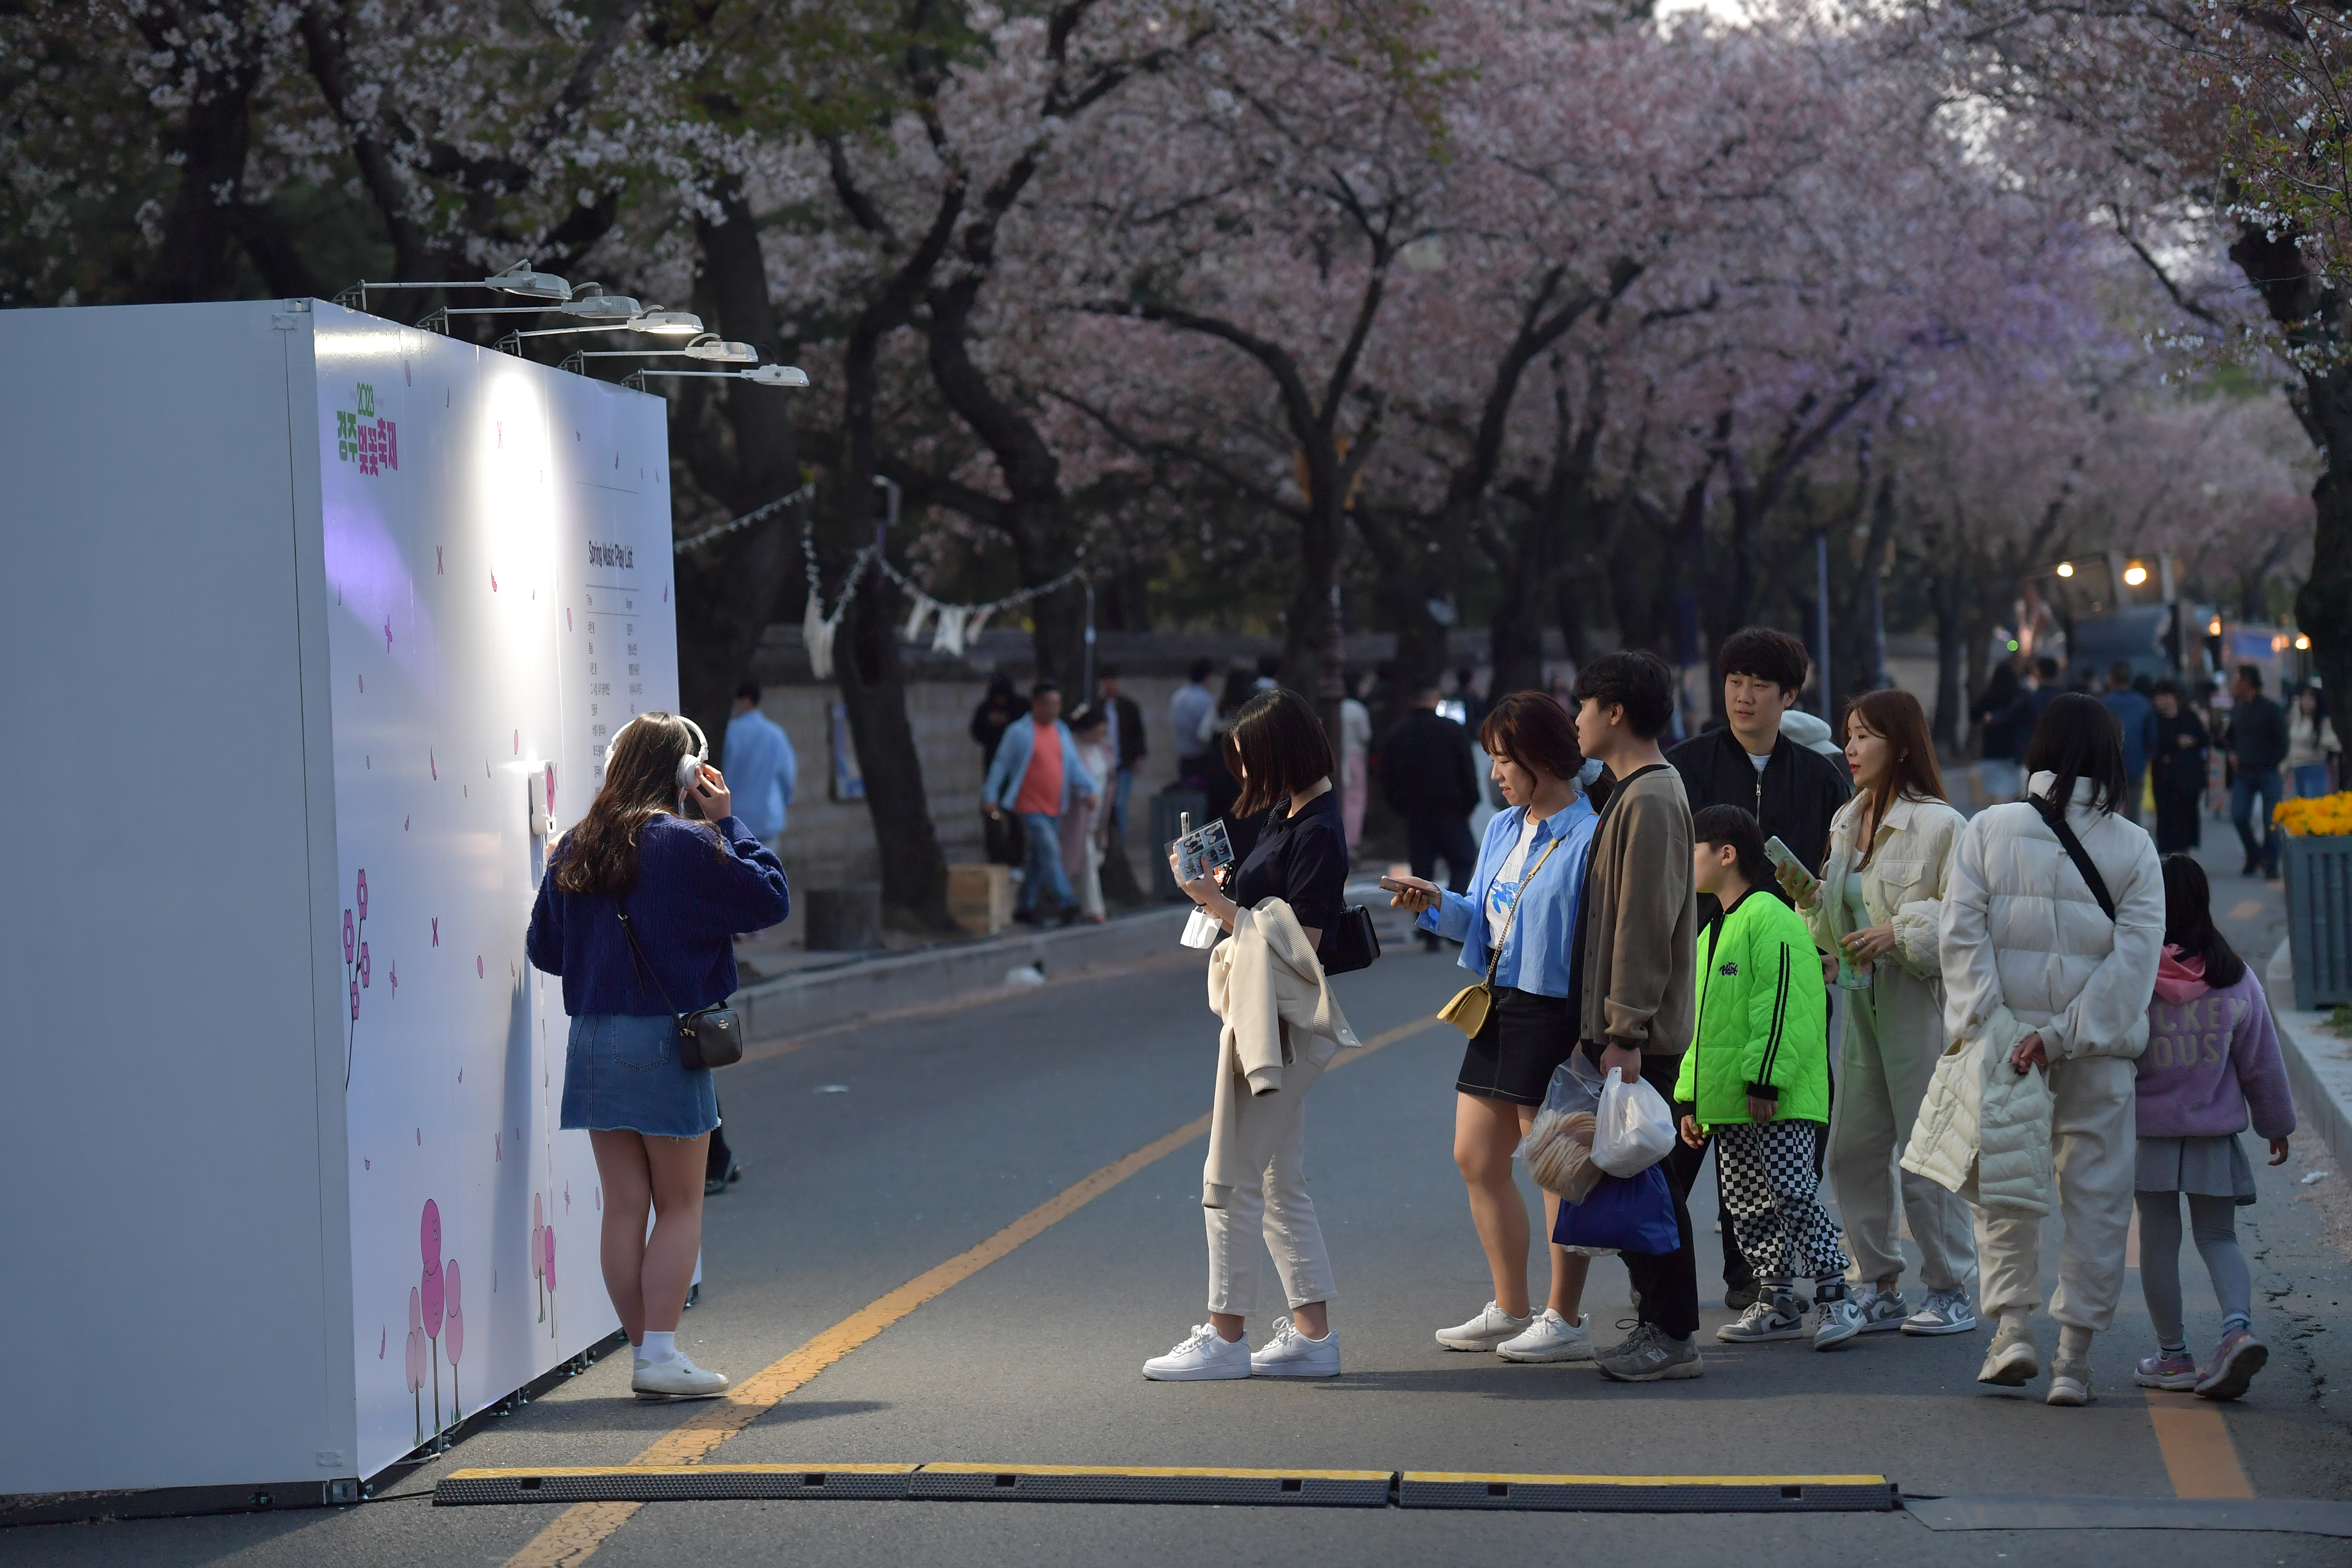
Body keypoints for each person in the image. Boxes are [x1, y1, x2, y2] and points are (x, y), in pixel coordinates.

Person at [525, 713, 790, 1399]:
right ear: (686, 775)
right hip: (662, 1038)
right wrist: (729, 821)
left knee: (623, 1206)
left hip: (590, 1039)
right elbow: (767, 897)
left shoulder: (576, 845)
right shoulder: (687, 843)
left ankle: (648, 1352)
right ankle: (661, 1356)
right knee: (680, 1203)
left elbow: (544, 950)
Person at [1938, 693, 2164, 1407]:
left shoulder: (1987, 829)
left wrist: (1998, 1027)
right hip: (2092, 1057)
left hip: (2005, 1052)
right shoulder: (2134, 847)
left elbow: (1958, 936)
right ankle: (2072, 1360)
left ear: (2035, 750)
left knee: (2004, 1194)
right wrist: (2060, 1035)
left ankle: (2010, 1333)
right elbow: (2133, 968)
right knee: (2096, 1202)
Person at [1388, 694, 1603, 1365]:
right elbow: (1479, 917)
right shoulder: (1504, 828)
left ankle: (1563, 1317)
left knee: (1555, 1168)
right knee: (1475, 1157)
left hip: (1554, 1007)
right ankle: (1510, 1307)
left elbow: (1594, 943)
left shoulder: (1589, 835)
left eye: (1504, 760)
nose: (1495, 775)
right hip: (1498, 1000)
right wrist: (1433, 904)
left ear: (1541, 759)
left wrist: (1589, 1033)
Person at [1149, 689, 1356, 1380]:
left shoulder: (1319, 829)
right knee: (1274, 1179)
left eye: (1248, 760)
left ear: (1278, 754)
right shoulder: (1288, 813)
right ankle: (1312, 1336)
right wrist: (1222, 895)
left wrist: (1215, 903)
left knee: (1229, 1175)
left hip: (1281, 1024)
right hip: (1262, 1016)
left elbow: (1305, 943)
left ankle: (1225, 1335)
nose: (1242, 775)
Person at [1666, 625, 1850, 1309]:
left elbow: (1839, 878)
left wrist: (1832, 940)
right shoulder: (1687, 767)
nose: (1743, 697)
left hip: (1795, 970)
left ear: (1789, 696)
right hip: (1708, 970)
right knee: (1703, 1118)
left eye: (1759, 686)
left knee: (1792, 1111)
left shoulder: (1819, 776)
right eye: (1734, 682)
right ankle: (1706, 1274)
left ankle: (1773, 1266)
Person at [1793, 689, 1976, 1339]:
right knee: (1850, 1151)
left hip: (1918, 1004)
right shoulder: (1848, 819)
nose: (1850, 747)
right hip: (1861, 1002)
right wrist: (1813, 916)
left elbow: (1962, 917)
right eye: (1847, 734)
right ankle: (1879, 1282)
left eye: (1865, 735)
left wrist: (1898, 933)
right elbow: (1836, 917)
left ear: (1901, 744)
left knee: (1924, 1154)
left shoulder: (1940, 825)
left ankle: (1951, 1288)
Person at [1566, 649, 1703, 1382]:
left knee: (1649, 1188)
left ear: (1614, 711)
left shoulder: (1650, 797)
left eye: (1582, 706)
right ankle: (1657, 1323)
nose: (1576, 720)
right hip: (1625, 1028)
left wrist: (1622, 1031)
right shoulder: (1636, 791)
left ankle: (1674, 1336)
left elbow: (1644, 927)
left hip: (1638, 1034)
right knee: (1632, 1180)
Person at [1680, 805, 1846, 1349]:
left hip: (1775, 1098)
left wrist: (1765, 1081)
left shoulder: (1770, 918)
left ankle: (1836, 1298)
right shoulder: (1714, 931)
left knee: (1793, 1193)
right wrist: (1690, 1099)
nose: (1688, 859)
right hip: (1732, 1102)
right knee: (1746, 1202)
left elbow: (1782, 1007)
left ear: (1726, 854)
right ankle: (1775, 1299)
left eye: (1695, 847)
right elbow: (1702, 1026)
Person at [2131, 856, 2296, 1402]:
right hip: (2213, 1132)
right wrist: (2276, 1124)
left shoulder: (2135, 977)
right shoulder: (2235, 978)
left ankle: (2174, 1357)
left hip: (2148, 1132)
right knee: (2218, 1237)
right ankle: (2236, 1330)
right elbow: (2262, 1062)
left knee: (2158, 1243)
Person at [983, 681, 1100, 926]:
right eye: (1048, 705)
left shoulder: (1061, 732)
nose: (1054, 710)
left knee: (1039, 858)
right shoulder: (1020, 732)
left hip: (1055, 807)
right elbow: (1001, 764)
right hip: (1030, 806)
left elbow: (1074, 766)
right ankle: (1067, 901)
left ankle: (1025, 905)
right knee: (1049, 849)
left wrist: (1089, 789)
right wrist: (990, 796)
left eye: (1057, 705)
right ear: (1035, 705)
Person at [1379, 684, 1484, 951]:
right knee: (1462, 860)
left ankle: (1428, 929)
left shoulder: (1398, 733)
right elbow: (1467, 769)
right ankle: (1453, 917)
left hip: (1416, 813)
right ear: (1434, 698)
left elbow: (1386, 778)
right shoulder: (1451, 729)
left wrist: (1400, 808)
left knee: (1421, 870)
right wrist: (1470, 802)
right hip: (1451, 809)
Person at [2225, 665, 2288, 878]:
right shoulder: (2239, 709)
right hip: (2243, 772)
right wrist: (2232, 752)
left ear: (2248, 682)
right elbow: (2230, 736)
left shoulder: (2271, 709)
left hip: (2267, 771)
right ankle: (2254, 853)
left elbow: (2282, 741)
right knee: (2239, 814)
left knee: (2271, 820)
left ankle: (2271, 863)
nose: (2235, 684)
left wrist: (2271, 761)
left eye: (2238, 679)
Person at [721, 682, 798, 852]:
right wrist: (785, 801)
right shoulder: (775, 734)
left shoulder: (729, 734)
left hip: (735, 822)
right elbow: (788, 776)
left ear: (746, 701)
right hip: (767, 820)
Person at [1062, 705, 1113, 923]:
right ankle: (1095, 909)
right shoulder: (1072, 748)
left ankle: (1074, 902)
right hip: (1077, 815)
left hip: (1098, 815)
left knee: (1086, 860)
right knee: (1087, 859)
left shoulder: (1103, 748)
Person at [972, 673, 1027, 866]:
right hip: (993, 767)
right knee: (993, 814)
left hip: (1018, 771)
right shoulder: (985, 709)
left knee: (1015, 816)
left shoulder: (1020, 708)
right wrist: (990, 723)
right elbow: (976, 732)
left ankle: (1016, 857)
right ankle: (996, 855)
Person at [2150, 681, 2211, 855]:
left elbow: (2205, 738)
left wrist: (2192, 742)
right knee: (2166, 815)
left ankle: (2185, 850)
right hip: (2164, 776)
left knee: (2188, 813)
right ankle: (2168, 852)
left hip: (2188, 775)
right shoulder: (2155, 720)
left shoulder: (2189, 717)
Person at [1096, 666, 1148, 851]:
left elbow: (1138, 734)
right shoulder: (1097, 707)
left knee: (1120, 804)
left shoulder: (1128, 707)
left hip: (1123, 763)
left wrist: (1139, 756)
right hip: (1103, 763)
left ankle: (1120, 844)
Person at [2102, 662, 2158, 826]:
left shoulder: (2102, 704)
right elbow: (2152, 738)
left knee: (2107, 815)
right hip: (2136, 765)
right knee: (2133, 816)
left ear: (2111, 679)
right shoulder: (2144, 705)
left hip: (2107, 767)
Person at [1974, 653, 2027, 803]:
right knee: (2016, 789)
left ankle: (1997, 820)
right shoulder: (2020, 696)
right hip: (2014, 749)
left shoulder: (1988, 696)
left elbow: (1975, 716)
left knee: (1996, 789)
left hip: (1991, 749)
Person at [1170, 658, 1218, 787]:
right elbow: (1208, 730)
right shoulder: (1206, 700)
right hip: (1201, 757)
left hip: (1183, 755)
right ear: (1207, 677)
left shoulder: (1178, 697)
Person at [2285, 683, 2338, 799]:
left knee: (2313, 804)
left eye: (2310, 698)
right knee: (2298, 806)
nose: (2306, 702)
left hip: (2314, 768)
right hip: (2296, 768)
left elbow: (2334, 744)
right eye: (2304, 698)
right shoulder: (2297, 720)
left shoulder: (2323, 723)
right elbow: (2291, 745)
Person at [1339, 672, 1373, 852]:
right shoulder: (1358, 709)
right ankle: (1352, 840)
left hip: (1337, 755)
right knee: (1356, 800)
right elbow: (1366, 735)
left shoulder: (1337, 708)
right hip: (1355, 755)